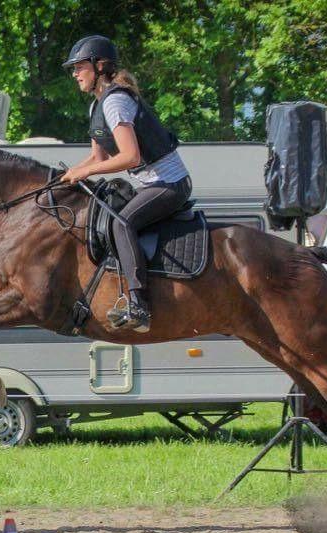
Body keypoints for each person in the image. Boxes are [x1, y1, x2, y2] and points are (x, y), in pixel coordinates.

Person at [60, 35, 191, 333]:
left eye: (80, 67)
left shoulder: (116, 101)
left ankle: (139, 305)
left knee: (121, 222)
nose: (75, 73)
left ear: (99, 66)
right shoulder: (96, 107)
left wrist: (83, 174)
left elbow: (130, 157)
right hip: (151, 184)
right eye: (74, 69)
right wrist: (68, 176)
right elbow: (97, 157)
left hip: (170, 183)